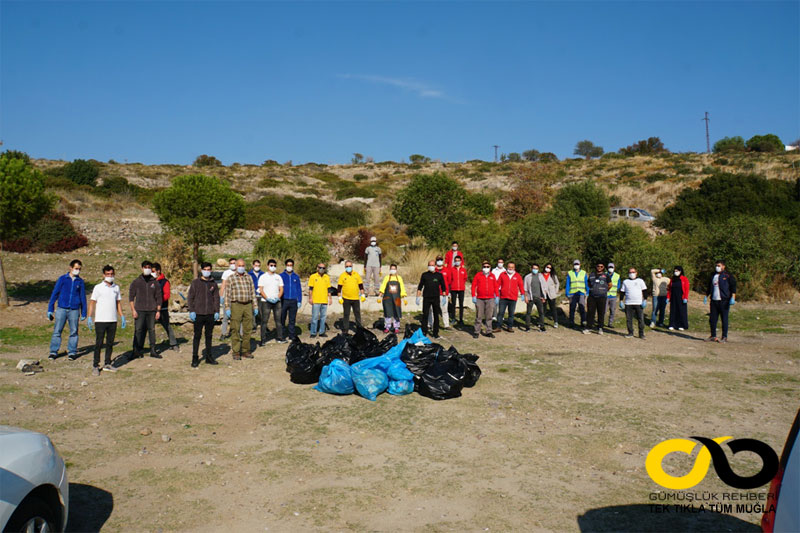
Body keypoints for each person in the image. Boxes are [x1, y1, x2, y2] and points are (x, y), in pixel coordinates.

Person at [87, 265, 124, 375]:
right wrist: (89, 316)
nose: (110, 276)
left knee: (110, 343)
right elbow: (92, 302)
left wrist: (121, 316)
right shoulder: (98, 287)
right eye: (107, 274)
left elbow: (118, 303)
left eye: (112, 274)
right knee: (99, 343)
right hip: (100, 320)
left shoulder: (116, 288)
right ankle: (95, 365)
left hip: (112, 319)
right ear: (103, 275)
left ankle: (107, 363)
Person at [47, 259, 87, 360]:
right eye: (76, 268)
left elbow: (83, 297)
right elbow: (55, 293)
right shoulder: (62, 279)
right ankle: (53, 352)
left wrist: (84, 312)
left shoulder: (80, 281)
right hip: (62, 309)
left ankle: (72, 352)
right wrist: (50, 308)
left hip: (74, 310)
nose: (77, 270)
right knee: (57, 331)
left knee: (74, 331)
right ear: (70, 268)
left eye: (79, 269)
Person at [187, 262, 220, 367]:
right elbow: (190, 297)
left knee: (209, 336)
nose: (207, 271)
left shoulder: (213, 283)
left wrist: (217, 311)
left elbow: (216, 298)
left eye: (209, 269)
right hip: (198, 313)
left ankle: (209, 357)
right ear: (201, 270)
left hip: (210, 313)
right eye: (205, 269)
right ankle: (195, 358)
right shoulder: (196, 283)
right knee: (197, 336)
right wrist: (192, 310)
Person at [224, 259, 258, 360]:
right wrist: (227, 307)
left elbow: (253, 292)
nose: (241, 267)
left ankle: (245, 350)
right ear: (236, 266)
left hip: (247, 305)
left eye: (243, 265)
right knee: (235, 329)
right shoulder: (231, 278)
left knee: (248, 329)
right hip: (236, 305)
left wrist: (255, 306)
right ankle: (236, 351)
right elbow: (227, 294)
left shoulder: (249, 277)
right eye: (239, 265)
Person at [129, 260, 163, 359]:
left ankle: (153, 350)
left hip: (152, 310)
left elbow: (159, 298)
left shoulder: (155, 282)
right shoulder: (136, 282)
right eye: (145, 267)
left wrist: (158, 311)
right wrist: (133, 310)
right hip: (139, 310)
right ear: (142, 268)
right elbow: (131, 297)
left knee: (152, 330)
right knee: (138, 330)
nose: (147, 269)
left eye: (149, 267)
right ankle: (136, 350)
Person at [705, 260, 737, 343]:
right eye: (716, 265)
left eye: (719, 265)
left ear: (723, 266)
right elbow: (709, 286)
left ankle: (724, 337)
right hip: (714, 300)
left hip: (724, 300)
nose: (717, 267)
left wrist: (733, 298)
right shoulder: (713, 275)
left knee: (724, 319)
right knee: (712, 319)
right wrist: (706, 295)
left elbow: (733, 287)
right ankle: (713, 335)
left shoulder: (728, 275)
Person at [417, 260, 447, 338]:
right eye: (430, 265)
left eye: (433, 265)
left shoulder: (439, 275)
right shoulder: (424, 275)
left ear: (435, 266)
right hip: (426, 297)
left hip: (436, 298)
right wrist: (417, 296)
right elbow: (420, 286)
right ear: (428, 266)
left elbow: (443, 286)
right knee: (425, 314)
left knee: (436, 315)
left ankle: (435, 333)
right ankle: (424, 331)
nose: (431, 267)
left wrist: (444, 296)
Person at [153, 263, 179, 352]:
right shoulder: (150, 281)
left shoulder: (164, 282)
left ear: (158, 271)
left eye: (153, 271)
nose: (151, 273)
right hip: (151, 309)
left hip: (162, 308)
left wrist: (158, 301)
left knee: (167, 325)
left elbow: (167, 295)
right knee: (149, 327)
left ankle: (173, 343)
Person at [257, 259, 285, 344]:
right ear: (267, 266)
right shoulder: (263, 277)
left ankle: (280, 337)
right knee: (264, 320)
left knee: (278, 320)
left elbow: (281, 289)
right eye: (271, 265)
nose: (273, 267)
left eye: (274, 266)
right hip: (266, 301)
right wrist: (267, 298)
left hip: (277, 301)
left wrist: (278, 297)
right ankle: (263, 339)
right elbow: (261, 289)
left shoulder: (278, 277)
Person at [471, 260, 499, 338]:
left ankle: (488, 331)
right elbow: (473, 286)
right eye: (484, 267)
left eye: (487, 267)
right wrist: (473, 295)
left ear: (490, 267)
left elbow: (496, 286)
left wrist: (497, 296)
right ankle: (476, 331)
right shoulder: (478, 275)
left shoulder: (492, 276)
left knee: (489, 316)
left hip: (490, 298)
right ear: (482, 267)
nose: (486, 268)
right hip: (480, 298)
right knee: (479, 316)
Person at [620, 267, 649, 339]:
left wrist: (645, 299)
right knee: (629, 319)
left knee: (640, 319)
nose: (632, 274)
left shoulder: (640, 281)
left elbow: (645, 291)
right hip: (628, 303)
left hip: (638, 303)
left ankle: (641, 334)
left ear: (636, 273)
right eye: (630, 272)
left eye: (633, 272)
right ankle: (630, 333)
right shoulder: (625, 281)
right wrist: (621, 300)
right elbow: (622, 292)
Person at [337, 261, 366, 333]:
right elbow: (339, 288)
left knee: (357, 313)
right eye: (347, 266)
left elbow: (361, 285)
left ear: (352, 266)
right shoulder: (342, 276)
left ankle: (359, 328)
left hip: (355, 298)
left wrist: (362, 294)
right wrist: (339, 297)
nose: (348, 268)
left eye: (350, 266)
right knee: (346, 314)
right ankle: (345, 329)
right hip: (346, 298)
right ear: (345, 267)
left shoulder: (356, 275)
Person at [378, 264, 407, 334]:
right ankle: (387, 327)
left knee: (396, 312)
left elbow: (402, 288)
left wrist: (404, 297)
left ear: (396, 270)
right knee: (388, 313)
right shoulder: (386, 278)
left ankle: (396, 327)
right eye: (391, 269)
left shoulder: (399, 278)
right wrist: (380, 295)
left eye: (394, 269)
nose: (393, 270)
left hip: (397, 298)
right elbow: (383, 287)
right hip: (387, 298)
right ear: (389, 269)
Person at [585, 262, 612, 335]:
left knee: (601, 312)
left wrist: (604, 290)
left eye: (601, 266)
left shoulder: (606, 275)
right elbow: (589, 284)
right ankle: (588, 327)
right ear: (596, 267)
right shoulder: (591, 274)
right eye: (598, 266)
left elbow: (610, 285)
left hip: (602, 297)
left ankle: (600, 328)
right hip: (592, 296)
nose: (599, 267)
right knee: (590, 312)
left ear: (603, 267)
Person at [497, 261, 524, 332]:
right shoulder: (502, 274)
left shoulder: (518, 276)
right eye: (509, 267)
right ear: (507, 267)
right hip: (503, 297)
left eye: (512, 267)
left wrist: (523, 294)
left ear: (514, 268)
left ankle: (509, 327)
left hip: (513, 298)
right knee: (500, 313)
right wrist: (496, 294)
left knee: (511, 314)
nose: (510, 268)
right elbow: (497, 284)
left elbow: (521, 285)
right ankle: (498, 327)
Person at [280, 259, 303, 341]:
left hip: (293, 300)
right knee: (282, 318)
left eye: (291, 265)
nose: (289, 267)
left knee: (292, 319)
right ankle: (281, 335)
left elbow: (299, 289)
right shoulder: (281, 276)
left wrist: (299, 300)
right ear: (285, 266)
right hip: (284, 300)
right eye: (288, 265)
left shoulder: (296, 276)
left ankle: (291, 335)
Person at [308, 263, 332, 338]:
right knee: (314, 317)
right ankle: (313, 332)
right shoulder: (313, 277)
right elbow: (310, 289)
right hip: (316, 300)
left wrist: (330, 298)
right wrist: (310, 298)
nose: (321, 269)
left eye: (323, 268)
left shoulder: (327, 277)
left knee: (323, 317)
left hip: (324, 300)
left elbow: (329, 289)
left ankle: (322, 332)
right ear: (317, 268)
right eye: (320, 267)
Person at [428, 256, 450, 330]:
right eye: (438, 260)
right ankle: (430, 324)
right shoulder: (434, 270)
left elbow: (449, 281)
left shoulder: (447, 270)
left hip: (443, 294)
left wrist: (447, 292)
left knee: (444, 309)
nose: (439, 261)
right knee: (431, 309)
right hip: (434, 293)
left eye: (441, 259)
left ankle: (446, 325)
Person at [445, 255, 468, 327]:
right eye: (456, 261)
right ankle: (453, 318)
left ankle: (461, 319)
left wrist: (461, 284)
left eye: (459, 261)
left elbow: (465, 278)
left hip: (461, 289)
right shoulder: (451, 269)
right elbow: (450, 279)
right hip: (453, 289)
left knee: (461, 304)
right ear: (454, 261)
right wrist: (450, 287)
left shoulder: (463, 270)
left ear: (461, 261)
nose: (457, 262)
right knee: (453, 304)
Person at [523, 263, 546, 332]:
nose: (535, 270)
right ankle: (527, 327)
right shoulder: (527, 277)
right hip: (531, 297)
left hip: (539, 297)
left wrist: (544, 297)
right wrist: (526, 297)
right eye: (534, 268)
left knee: (541, 313)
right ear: (531, 269)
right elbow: (525, 288)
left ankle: (542, 327)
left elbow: (544, 287)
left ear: (538, 269)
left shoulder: (541, 276)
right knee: (528, 313)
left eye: (536, 269)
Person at [566, 259, 588, 329]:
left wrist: (587, 291)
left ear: (580, 265)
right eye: (575, 264)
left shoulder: (584, 273)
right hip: (572, 293)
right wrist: (567, 293)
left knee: (582, 307)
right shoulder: (570, 273)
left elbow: (586, 283)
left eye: (577, 264)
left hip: (581, 293)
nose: (576, 265)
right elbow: (568, 284)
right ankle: (571, 322)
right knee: (572, 308)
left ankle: (583, 322)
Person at [667, 266, 690, 331]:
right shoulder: (672, 279)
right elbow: (669, 289)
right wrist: (668, 297)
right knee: (673, 310)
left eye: (677, 271)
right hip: (673, 297)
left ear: (680, 271)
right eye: (674, 271)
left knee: (681, 311)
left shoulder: (684, 279)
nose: (675, 272)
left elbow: (686, 289)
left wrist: (685, 297)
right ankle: (672, 324)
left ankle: (681, 325)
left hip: (681, 297)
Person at [219, 257, 236, 340]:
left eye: (234, 263)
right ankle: (223, 333)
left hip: (236, 298)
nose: (233, 265)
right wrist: (221, 296)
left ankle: (238, 333)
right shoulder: (226, 273)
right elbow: (223, 285)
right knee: (225, 317)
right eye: (231, 263)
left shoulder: (241, 272)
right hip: (227, 297)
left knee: (237, 317)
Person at [541, 263, 560, 328]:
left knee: (553, 308)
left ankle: (556, 322)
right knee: (543, 309)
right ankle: (541, 322)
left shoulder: (553, 275)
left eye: (550, 268)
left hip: (551, 294)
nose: (548, 269)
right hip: (543, 294)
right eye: (547, 267)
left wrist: (555, 291)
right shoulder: (540, 275)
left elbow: (557, 283)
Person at [249, 260, 264, 333]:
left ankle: (263, 325)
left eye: (258, 265)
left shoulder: (263, 274)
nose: (257, 267)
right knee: (252, 311)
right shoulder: (249, 274)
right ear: (253, 265)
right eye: (256, 265)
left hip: (261, 295)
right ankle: (253, 326)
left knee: (262, 311)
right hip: (253, 295)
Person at [605, 262, 621, 328]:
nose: (610, 268)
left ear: (614, 268)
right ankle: (601, 322)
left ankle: (610, 323)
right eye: (609, 267)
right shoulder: (604, 275)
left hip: (613, 295)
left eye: (612, 267)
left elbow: (619, 285)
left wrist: (616, 289)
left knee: (612, 310)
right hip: (605, 295)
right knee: (604, 310)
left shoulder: (617, 276)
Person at [491, 258, 506, 324]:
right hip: (495, 288)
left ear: (503, 263)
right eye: (499, 262)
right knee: (495, 302)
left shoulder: (505, 270)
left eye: (501, 262)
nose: (500, 263)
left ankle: (501, 315)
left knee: (502, 303)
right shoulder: (494, 270)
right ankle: (494, 315)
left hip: (502, 288)